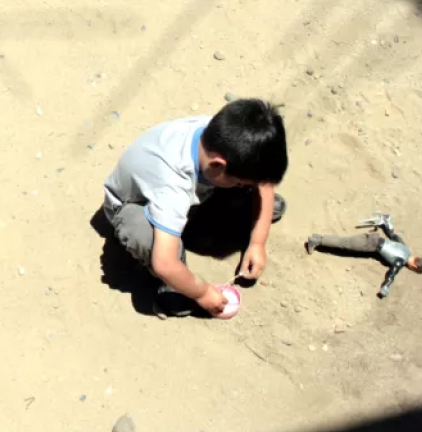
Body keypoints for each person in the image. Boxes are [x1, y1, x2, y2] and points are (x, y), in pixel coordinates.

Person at [100, 98, 288, 318]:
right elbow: (164, 263)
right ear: (218, 165)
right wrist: (202, 293)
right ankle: (173, 286)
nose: (248, 184)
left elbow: (263, 182)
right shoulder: (173, 186)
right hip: (136, 205)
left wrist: (257, 241)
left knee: (245, 189)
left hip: (188, 191)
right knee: (144, 235)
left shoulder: (223, 136)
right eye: (241, 182)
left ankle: (231, 204)